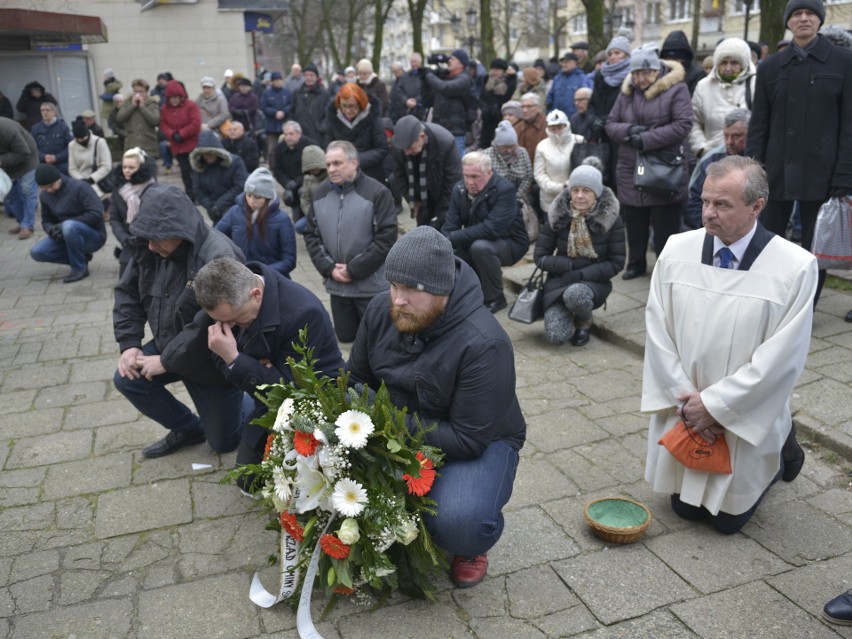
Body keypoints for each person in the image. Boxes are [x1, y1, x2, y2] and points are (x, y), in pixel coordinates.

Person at [345, 225, 525, 588]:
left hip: (477, 441)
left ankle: (472, 543)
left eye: (411, 290)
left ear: (442, 291)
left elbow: (467, 440)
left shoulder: (484, 343)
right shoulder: (383, 311)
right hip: (404, 427)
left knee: (459, 521)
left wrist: (382, 420)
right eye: (394, 285)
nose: (397, 299)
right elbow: (353, 381)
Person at [643, 155, 815, 534]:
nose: (708, 213)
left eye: (722, 204)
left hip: (743, 415)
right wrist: (688, 402)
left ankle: (779, 450)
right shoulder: (675, 250)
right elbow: (658, 331)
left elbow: (782, 358)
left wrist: (718, 407)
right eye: (705, 201)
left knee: (726, 522)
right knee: (684, 510)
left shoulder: (795, 267)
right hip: (685, 409)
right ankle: (778, 436)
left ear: (757, 207)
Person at [112, 183, 249, 459]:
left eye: (157, 238)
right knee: (127, 378)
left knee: (224, 443)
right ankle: (188, 428)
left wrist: (165, 361)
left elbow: (207, 325)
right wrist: (129, 344)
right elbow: (127, 292)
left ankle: (250, 395)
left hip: (211, 363)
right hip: (170, 346)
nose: (151, 246)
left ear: (179, 231)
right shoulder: (148, 247)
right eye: (147, 238)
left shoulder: (217, 256)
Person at [746, 0, 852, 306]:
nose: (803, 18)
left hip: (824, 171)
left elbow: (849, 124)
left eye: (810, 13)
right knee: (768, 240)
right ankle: (769, 297)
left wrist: (845, 172)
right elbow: (759, 125)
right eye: (796, 14)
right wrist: (753, 169)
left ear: (819, 20)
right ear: (788, 22)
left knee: (814, 246)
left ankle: (806, 304)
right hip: (775, 171)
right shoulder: (769, 67)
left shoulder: (843, 62)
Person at [193, 257, 343, 472]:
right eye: (223, 322)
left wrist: (236, 359)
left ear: (256, 295)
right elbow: (218, 353)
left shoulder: (303, 313)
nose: (230, 327)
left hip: (313, 400)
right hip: (261, 394)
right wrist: (245, 363)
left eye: (237, 320)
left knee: (257, 482)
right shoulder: (225, 301)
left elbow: (288, 392)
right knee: (247, 479)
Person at [605, 43, 692, 280]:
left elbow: (683, 125)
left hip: (664, 166)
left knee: (665, 224)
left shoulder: (677, 88)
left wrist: (645, 138)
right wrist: (630, 130)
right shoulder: (627, 92)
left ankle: (666, 267)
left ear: (657, 70)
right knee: (634, 220)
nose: (640, 78)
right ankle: (635, 263)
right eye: (636, 73)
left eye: (646, 73)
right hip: (630, 166)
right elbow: (611, 124)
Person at [303, 140, 397, 343]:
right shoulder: (319, 194)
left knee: (376, 343)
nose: (331, 169)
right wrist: (329, 269)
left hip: (370, 288)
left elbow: (386, 239)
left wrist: (352, 270)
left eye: (337, 163)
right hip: (337, 288)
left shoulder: (378, 193)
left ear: (354, 163)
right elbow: (311, 235)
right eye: (328, 164)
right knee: (345, 339)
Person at [534, 160, 624, 346]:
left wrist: (582, 273)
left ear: (596, 194)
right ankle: (566, 311)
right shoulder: (558, 214)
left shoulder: (611, 219)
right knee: (555, 337)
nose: (580, 196)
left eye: (586, 191)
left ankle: (584, 322)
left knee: (576, 295)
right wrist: (568, 265)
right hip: (559, 280)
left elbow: (616, 262)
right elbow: (540, 256)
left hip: (593, 282)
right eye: (575, 190)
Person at [442, 151, 529, 313]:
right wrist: (445, 242)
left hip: (511, 242)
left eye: (475, 176)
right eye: (466, 176)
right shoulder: (459, 189)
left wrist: (451, 237)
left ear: (489, 173)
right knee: (452, 252)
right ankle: (468, 294)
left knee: (479, 248)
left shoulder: (505, 189)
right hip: (478, 238)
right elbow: (451, 224)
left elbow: (492, 228)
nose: (469, 182)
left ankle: (496, 298)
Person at [30, 163, 107, 283]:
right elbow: (46, 220)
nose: (49, 190)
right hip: (65, 235)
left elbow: (97, 213)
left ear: (58, 179)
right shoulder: (45, 196)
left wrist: (66, 225)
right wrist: (51, 229)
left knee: (69, 226)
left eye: (51, 186)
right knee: (37, 252)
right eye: (44, 188)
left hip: (93, 235)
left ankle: (79, 269)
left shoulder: (80, 187)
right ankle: (81, 258)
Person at [215, 168, 297, 278]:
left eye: (258, 197)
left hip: (272, 279)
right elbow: (216, 238)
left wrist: (261, 273)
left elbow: (289, 260)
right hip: (239, 279)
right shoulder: (234, 212)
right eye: (248, 195)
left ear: (268, 197)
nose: (251, 201)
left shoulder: (282, 219)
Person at [387, 115, 463, 228]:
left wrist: (442, 211)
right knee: (423, 227)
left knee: (442, 224)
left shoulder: (444, 142)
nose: (406, 152)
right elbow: (400, 176)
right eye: (404, 149)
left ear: (422, 137)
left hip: (441, 189)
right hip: (419, 191)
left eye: (410, 148)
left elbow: (453, 180)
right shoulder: (399, 145)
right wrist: (411, 199)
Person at [689, 38, 756, 159]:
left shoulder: (755, 84)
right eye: (724, 62)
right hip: (711, 156)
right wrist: (701, 148)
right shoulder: (703, 86)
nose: (728, 68)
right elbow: (694, 122)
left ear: (743, 64)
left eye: (734, 62)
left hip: (746, 158)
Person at [687, 109, 750, 228]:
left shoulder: (762, 159)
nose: (729, 142)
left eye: (736, 136)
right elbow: (694, 198)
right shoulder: (711, 158)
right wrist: (706, 227)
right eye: (726, 135)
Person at [590, 31, 633, 188]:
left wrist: (608, 119)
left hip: (621, 133)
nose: (613, 56)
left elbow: (631, 106)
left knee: (619, 176)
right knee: (602, 176)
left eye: (617, 53)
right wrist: (593, 118)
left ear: (626, 55)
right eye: (610, 53)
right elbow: (592, 102)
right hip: (601, 133)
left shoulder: (632, 76)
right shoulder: (599, 75)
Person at [323, 83, 389, 185]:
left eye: (351, 106)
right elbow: (328, 147)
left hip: (370, 174)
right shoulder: (333, 119)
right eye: (343, 106)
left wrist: (354, 161)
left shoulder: (373, 118)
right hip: (342, 176)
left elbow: (382, 149)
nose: (347, 111)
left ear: (361, 104)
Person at [108, 147, 158, 277]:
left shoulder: (152, 187)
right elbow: (114, 218)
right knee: (125, 278)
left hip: (150, 241)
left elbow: (157, 218)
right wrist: (124, 238)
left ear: (141, 167)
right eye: (124, 167)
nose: (127, 171)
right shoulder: (119, 187)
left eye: (131, 167)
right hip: (128, 240)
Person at [423, 49, 476, 158]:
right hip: (439, 128)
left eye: (453, 58)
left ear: (461, 63)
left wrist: (429, 75)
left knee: (456, 162)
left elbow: (445, 88)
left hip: (455, 131)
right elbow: (428, 100)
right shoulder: (445, 78)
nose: (449, 60)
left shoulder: (464, 79)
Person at [189, 129, 248, 223]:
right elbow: (197, 190)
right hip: (213, 210)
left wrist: (219, 205)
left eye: (210, 153)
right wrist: (210, 206)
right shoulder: (200, 167)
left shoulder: (235, 162)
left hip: (235, 207)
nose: (207, 156)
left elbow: (240, 185)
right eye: (204, 154)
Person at [160, 80, 202, 200]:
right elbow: (163, 124)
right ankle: (189, 194)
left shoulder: (191, 105)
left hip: (192, 144)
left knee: (195, 170)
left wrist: (182, 133)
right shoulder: (165, 109)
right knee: (184, 171)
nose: (174, 100)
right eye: (171, 98)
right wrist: (172, 134)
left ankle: (198, 193)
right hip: (177, 145)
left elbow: (195, 123)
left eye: (176, 97)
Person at [534, 109, 582, 213]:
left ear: (566, 125)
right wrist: (558, 188)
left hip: (577, 197)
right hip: (550, 201)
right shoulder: (542, 146)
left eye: (560, 127)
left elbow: (585, 168)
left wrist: (571, 185)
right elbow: (539, 174)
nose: (556, 132)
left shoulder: (579, 141)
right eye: (553, 128)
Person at [0, 116, 39, 240]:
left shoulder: (7, 129)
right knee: (10, 195)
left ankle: (28, 225)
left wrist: (1, 160)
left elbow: (24, 152)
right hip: (7, 165)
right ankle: (22, 222)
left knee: (26, 190)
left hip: (27, 161)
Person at [272, 121, 316, 225]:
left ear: (299, 134)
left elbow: (314, 168)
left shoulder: (310, 146)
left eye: (291, 134)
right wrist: (286, 182)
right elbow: (277, 170)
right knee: (289, 197)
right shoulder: (279, 148)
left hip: (308, 183)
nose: (288, 137)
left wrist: (298, 181)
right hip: (291, 186)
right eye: (286, 134)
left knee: (303, 193)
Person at [482, 121, 533, 207]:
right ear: (497, 145)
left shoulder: (522, 153)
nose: (509, 150)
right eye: (505, 147)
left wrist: (519, 193)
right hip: (494, 199)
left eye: (512, 146)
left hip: (519, 198)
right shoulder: (486, 155)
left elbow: (528, 176)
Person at [68, 117, 112, 201]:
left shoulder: (99, 142)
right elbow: (72, 168)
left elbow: (107, 165)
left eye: (83, 138)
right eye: (78, 139)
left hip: (100, 182)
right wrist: (82, 180)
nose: (80, 141)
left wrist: (92, 179)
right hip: (82, 182)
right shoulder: (72, 145)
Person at [116, 79, 160, 157]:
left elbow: (155, 121)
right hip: (131, 145)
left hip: (148, 146)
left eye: (141, 91)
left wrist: (142, 107)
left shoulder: (152, 104)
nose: (138, 94)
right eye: (135, 91)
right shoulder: (127, 103)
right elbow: (120, 118)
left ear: (146, 92)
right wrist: (132, 106)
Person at [479, 58, 516, 149]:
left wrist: (497, 107)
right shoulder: (486, 80)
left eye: (498, 69)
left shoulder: (508, 81)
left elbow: (509, 97)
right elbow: (481, 97)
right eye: (493, 69)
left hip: (501, 118)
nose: (495, 72)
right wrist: (485, 108)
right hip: (487, 119)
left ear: (503, 71)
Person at [260, 71, 292, 172]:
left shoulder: (287, 92)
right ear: (272, 82)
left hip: (284, 125)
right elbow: (264, 107)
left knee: (287, 148)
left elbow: (291, 105)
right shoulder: (266, 93)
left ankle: (286, 168)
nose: (278, 82)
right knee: (271, 150)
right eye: (275, 80)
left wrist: (284, 112)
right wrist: (275, 113)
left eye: (279, 80)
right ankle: (273, 169)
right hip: (271, 126)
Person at [290, 63, 330, 143]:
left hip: (317, 136)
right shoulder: (297, 93)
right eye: (306, 75)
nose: (309, 78)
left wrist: (321, 128)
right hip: (299, 135)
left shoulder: (324, 94)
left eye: (311, 75)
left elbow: (328, 115)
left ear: (316, 77)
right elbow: (291, 111)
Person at [31, 103, 72, 176]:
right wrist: (43, 157)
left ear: (54, 112)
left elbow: (71, 147)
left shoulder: (63, 127)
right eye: (42, 110)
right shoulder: (35, 129)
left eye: (47, 110)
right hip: (44, 166)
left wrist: (57, 158)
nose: (45, 112)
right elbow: (32, 148)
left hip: (62, 166)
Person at [660, 30, 707, 95]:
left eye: (678, 55)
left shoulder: (697, 75)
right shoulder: (660, 73)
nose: (673, 61)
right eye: (669, 57)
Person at [546, 53, 592, 118]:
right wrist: (550, 113)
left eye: (567, 62)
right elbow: (550, 98)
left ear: (574, 63)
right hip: (558, 119)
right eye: (563, 62)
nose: (564, 64)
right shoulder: (557, 79)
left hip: (575, 118)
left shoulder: (582, 78)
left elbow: (586, 99)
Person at [298, 144, 327, 234]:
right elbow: (304, 199)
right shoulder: (308, 179)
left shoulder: (331, 177)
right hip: (314, 214)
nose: (312, 171)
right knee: (299, 226)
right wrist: (311, 216)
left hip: (329, 214)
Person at [389, 53, 426, 122]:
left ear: (420, 62)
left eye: (415, 62)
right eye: (412, 62)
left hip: (421, 111)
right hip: (406, 112)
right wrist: (405, 100)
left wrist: (416, 100)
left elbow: (428, 92)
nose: (414, 64)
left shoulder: (425, 76)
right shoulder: (405, 76)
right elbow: (399, 91)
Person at [514, 93, 548, 165]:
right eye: (522, 107)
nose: (525, 110)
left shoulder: (549, 126)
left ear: (539, 108)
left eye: (529, 106)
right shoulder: (517, 128)